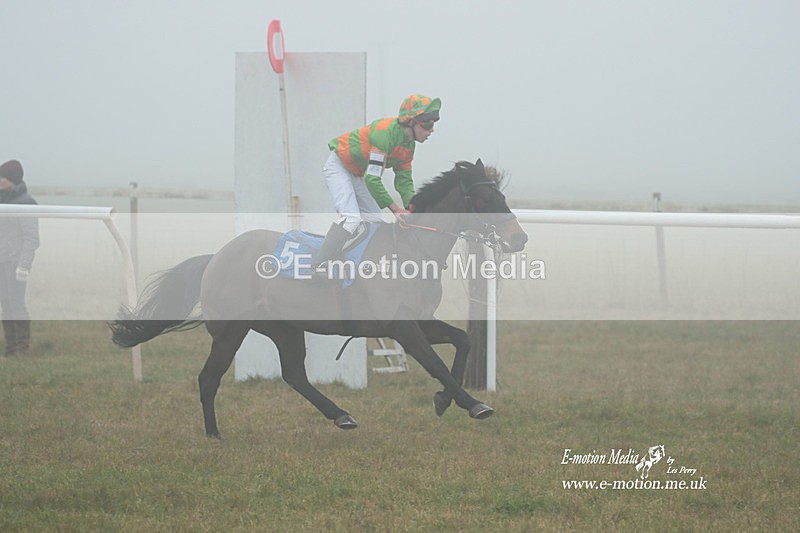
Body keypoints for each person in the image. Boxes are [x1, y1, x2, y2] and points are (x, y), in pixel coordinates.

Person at [310, 94, 441, 273]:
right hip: (339, 166)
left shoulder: (408, 146)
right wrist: (395, 209)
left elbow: (403, 181)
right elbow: (372, 179)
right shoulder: (384, 133)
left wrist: (413, 208)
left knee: (375, 222)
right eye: (428, 125)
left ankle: (355, 262)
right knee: (351, 219)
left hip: (356, 173)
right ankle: (318, 265)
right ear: (412, 122)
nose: (431, 130)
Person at [0, 159, 39, 355]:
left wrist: (24, 265)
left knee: (16, 303)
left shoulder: (26, 202)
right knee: (5, 303)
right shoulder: (2, 200)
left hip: (15, 262)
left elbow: (31, 238)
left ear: (13, 180)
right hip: (2, 261)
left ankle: (22, 349)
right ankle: (10, 348)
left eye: (3, 177)